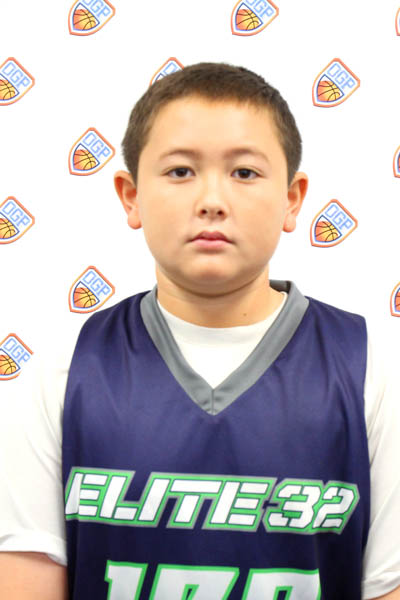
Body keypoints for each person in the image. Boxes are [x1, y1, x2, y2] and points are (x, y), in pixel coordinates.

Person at [1, 62, 400, 600]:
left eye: (245, 172)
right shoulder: (65, 370)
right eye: (180, 171)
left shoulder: (373, 370)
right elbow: (24, 581)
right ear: (130, 196)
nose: (212, 200)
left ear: (292, 198)